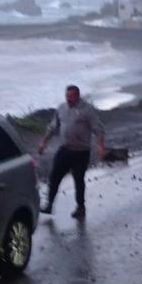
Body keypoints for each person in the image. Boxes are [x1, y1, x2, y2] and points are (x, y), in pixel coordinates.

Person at [38, 85, 105, 219]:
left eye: (71, 97)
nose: (68, 99)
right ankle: (49, 205)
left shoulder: (87, 109)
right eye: (67, 96)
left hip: (81, 152)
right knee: (54, 176)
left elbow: (98, 129)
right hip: (64, 149)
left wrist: (100, 146)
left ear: (78, 96)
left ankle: (80, 207)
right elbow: (52, 127)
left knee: (78, 180)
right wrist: (44, 143)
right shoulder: (62, 108)